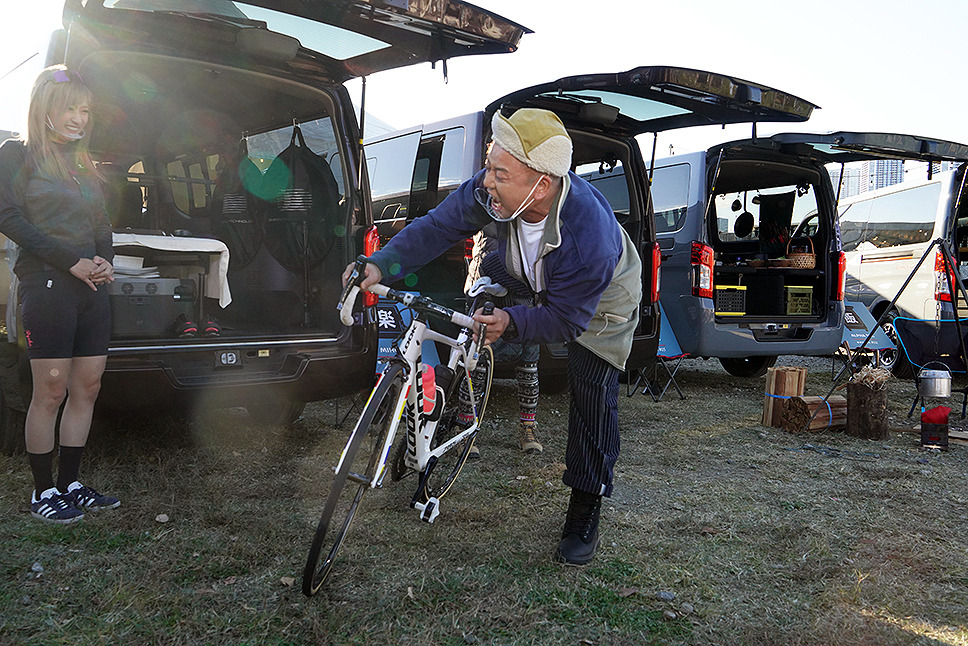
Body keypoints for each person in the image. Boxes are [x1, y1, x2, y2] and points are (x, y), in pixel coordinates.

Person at [345, 107, 642, 565]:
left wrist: (515, 322)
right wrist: (382, 264)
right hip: (525, 270)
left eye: (499, 172)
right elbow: (439, 227)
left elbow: (564, 321)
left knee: (591, 392)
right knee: (471, 316)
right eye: (488, 164)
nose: (486, 179)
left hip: (598, 301)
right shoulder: (497, 191)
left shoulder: (590, 239)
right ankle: (438, 427)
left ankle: (586, 504)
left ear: (541, 185)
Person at [0, 66, 120, 524]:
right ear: (45, 108)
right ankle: (42, 491)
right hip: (47, 286)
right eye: (70, 108)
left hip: (92, 288)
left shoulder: (82, 163)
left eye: (85, 110)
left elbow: (101, 223)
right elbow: (9, 217)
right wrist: (69, 259)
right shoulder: (17, 154)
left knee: (86, 387)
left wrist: (104, 257)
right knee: (49, 390)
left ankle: (70, 483)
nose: (79, 118)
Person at [466, 226, 542, 456]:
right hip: (490, 284)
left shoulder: (537, 205)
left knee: (529, 367)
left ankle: (527, 429)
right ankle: (466, 430)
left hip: (524, 292)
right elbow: (488, 256)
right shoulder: (491, 200)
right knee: (476, 366)